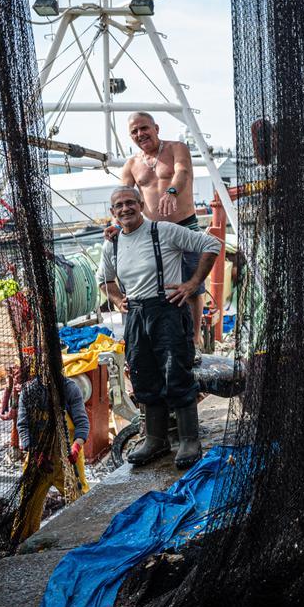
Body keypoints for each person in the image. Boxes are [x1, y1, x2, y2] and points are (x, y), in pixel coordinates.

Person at [98, 186, 221, 469]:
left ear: (141, 205)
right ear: (112, 212)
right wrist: (117, 300)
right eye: (119, 205)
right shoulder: (112, 243)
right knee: (143, 374)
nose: (125, 208)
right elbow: (105, 280)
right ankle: (156, 439)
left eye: (131, 203)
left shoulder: (164, 231)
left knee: (176, 372)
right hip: (137, 316)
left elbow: (211, 245)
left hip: (167, 311)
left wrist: (192, 284)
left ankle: (189, 439)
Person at [116, 112, 209, 351]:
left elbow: (182, 173)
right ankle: (163, 338)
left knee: (191, 286)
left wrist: (171, 192)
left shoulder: (177, 148)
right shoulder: (132, 164)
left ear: (156, 127)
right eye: (134, 132)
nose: (140, 134)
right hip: (154, 233)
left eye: (144, 128)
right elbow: (123, 197)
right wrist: (115, 225)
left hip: (184, 225)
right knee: (159, 287)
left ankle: (195, 337)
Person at [11, 371, 91, 542]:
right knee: (28, 505)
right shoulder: (29, 391)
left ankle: (85, 540)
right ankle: (22, 543)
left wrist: (76, 446)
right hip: (38, 460)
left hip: (68, 459)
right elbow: (23, 426)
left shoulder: (70, 388)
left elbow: (82, 423)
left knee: (81, 502)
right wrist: (36, 453)